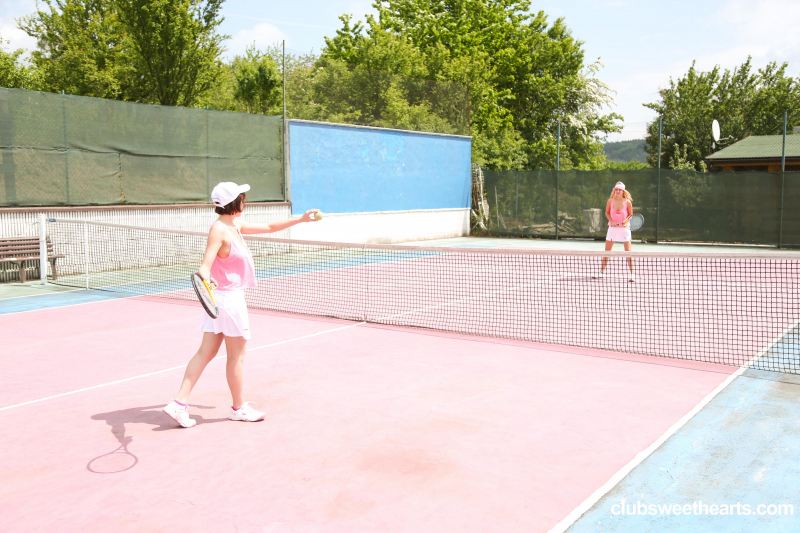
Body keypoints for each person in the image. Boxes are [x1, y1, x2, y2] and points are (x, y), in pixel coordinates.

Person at [163, 182, 320, 428]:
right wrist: (206, 277)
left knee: (207, 352)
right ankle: (238, 408)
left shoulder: (234, 225)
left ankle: (178, 404)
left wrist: (300, 220)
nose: (245, 202)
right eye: (242, 198)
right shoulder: (220, 231)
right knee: (236, 357)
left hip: (225, 300)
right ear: (234, 202)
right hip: (229, 301)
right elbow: (204, 266)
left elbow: (269, 226)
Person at [593, 181, 635, 282]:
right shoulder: (610, 201)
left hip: (624, 229)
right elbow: (607, 213)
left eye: (620, 189)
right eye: (616, 189)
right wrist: (611, 221)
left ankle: (632, 274)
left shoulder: (628, 202)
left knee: (628, 252)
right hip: (612, 229)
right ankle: (601, 272)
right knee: (607, 252)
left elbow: (631, 214)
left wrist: (625, 221)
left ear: (623, 191)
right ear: (614, 190)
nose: (618, 191)